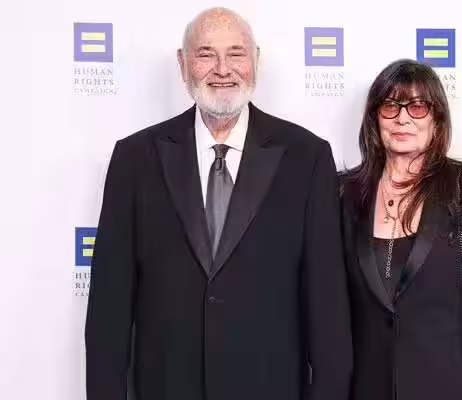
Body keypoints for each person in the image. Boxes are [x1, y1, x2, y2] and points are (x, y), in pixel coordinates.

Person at [85, 7, 352, 400]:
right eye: (206, 54)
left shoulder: (307, 158)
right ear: (183, 64)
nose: (223, 69)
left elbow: (328, 312)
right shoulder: (134, 159)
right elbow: (108, 312)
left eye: (236, 53)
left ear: (255, 60)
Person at [339, 59, 462, 400]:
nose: (402, 118)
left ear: (437, 119)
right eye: (391, 106)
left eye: (417, 107)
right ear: (375, 118)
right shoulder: (342, 195)